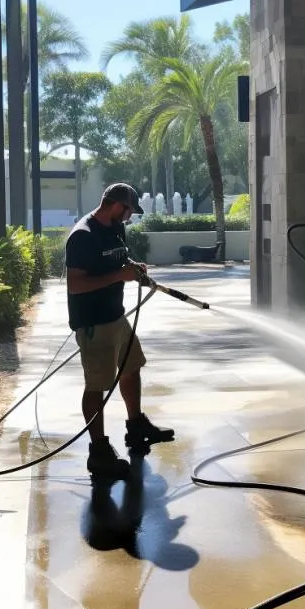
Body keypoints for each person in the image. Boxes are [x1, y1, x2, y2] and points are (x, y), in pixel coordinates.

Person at [65, 182, 174, 480]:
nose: (129, 218)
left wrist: (132, 267)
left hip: (116, 316)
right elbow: (75, 284)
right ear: (116, 206)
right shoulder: (82, 236)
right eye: (128, 212)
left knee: (131, 368)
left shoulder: (115, 228)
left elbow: (117, 259)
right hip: (93, 322)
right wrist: (119, 276)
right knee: (97, 386)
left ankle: (136, 427)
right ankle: (99, 452)